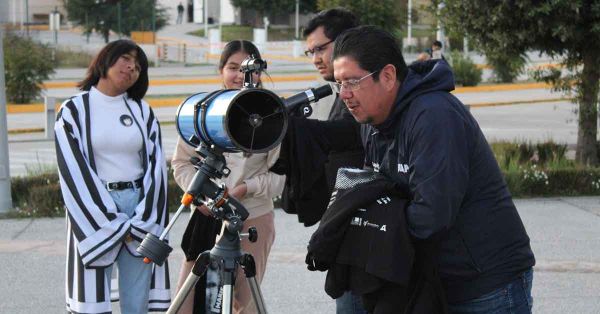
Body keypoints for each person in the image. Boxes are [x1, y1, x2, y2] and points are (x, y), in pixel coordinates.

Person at [329, 25, 535, 314]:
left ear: (387, 76)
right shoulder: (373, 122)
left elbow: (431, 216)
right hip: (433, 279)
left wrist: (375, 233)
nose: (343, 94)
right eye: (338, 84)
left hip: (486, 284)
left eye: (351, 81)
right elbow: (372, 194)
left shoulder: (434, 116)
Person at [55, 39, 170, 314]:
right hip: (92, 211)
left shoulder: (143, 111)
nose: (131, 68)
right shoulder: (74, 110)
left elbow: (157, 168)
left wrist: (143, 219)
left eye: (139, 66)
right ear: (106, 60)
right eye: (126, 59)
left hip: (139, 209)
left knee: (137, 303)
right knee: (92, 299)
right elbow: (72, 169)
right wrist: (109, 219)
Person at [171, 40, 285, 314]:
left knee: (243, 304)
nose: (240, 76)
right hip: (206, 216)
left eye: (248, 69)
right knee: (189, 301)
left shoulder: (271, 114)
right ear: (221, 70)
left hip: (253, 218)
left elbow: (281, 178)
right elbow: (181, 164)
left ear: (259, 72)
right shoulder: (204, 111)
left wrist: (245, 189)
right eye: (233, 67)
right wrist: (199, 196)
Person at [300, 7, 366, 314]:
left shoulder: (363, 92)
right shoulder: (340, 93)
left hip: (367, 237)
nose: (315, 58)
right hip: (348, 234)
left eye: (320, 48)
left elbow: (350, 135)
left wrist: (304, 131)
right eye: (310, 51)